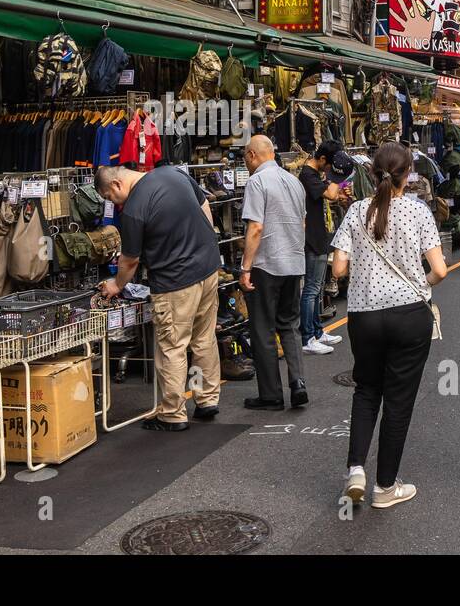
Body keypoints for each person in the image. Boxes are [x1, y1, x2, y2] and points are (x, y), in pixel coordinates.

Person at [331, 142, 448, 509]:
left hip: (363, 316)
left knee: (366, 390)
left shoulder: (354, 211)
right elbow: (440, 270)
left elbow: (338, 269)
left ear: (370, 172)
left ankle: (355, 470)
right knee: (398, 401)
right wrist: (417, 283)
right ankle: (385, 487)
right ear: (408, 173)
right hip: (409, 314)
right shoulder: (417, 211)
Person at [97, 164, 222, 431]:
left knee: (173, 346)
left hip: (175, 281)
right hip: (208, 269)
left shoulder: (133, 209)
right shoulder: (174, 173)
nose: (113, 203)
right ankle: (206, 400)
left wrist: (116, 285)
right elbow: (205, 208)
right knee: (203, 339)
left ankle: (173, 414)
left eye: (109, 197)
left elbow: (130, 260)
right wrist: (204, 245)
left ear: (116, 185)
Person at [240, 134, 309, 410]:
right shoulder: (294, 181)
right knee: (290, 324)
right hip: (294, 262)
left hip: (267, 264)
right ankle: (298, 382)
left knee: (263, 329)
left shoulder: (257, 181)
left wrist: (245, 267)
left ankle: (271, 395)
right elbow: (302, 224)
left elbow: (255, 228)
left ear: (252, 155)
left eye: (246, 157)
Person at [298, 141, 351, 354]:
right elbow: (331, 194)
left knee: (317, 288)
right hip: (311, 239)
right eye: (330, 166)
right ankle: (307, 338)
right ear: (322, 160)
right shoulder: (307, 175)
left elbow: (332, 194)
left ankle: (317, 332)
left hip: (318, 237)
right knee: (311, 290)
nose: (329, 171)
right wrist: (337, 176)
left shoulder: (314, 175)